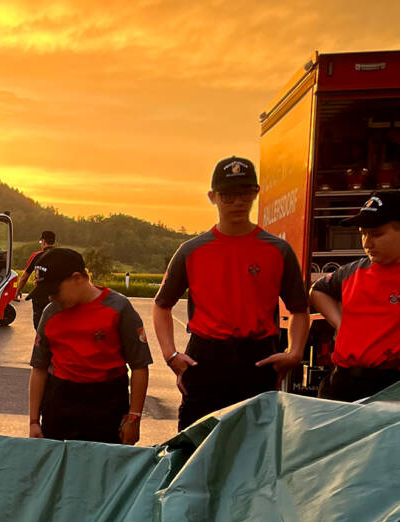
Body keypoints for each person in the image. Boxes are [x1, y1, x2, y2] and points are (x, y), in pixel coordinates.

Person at [153, 156, 310, 430]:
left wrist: (294, 353)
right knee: (194, 447)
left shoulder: (277, 250)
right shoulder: (192, 250)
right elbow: (161, 306)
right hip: (206, 356)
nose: (237, 202)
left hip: (258, 358)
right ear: (212, 197)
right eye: (228, 195)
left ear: (256, 193)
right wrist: (171, 356)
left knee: (256, 447)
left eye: (245, 194)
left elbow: (299, 308)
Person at [27, 248, 151, 444]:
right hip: (60, 403)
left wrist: (134, 419)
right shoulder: (51, 313)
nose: (51, 298)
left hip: (107, 404)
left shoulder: (118, 308)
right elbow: (39, 367)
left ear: (77, 278)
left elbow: (139, 365)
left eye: (54, 291)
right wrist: (34, 421)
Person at [309, 191, 400, 401]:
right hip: (342, 381)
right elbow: (318, 290)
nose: (367, 242)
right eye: (363, 233)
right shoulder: (352, 271)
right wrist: (340, 323)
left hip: (391, 387)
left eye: (377, 234)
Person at [19, 230, 57, 328]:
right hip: (55, 295)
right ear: (54, 242)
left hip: (39, 296)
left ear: (43, 242)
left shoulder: (37, 256)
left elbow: (24, 277)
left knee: (39, 324)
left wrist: (17, 291)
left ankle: (41, 341)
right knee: (54, 323)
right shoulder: (60, 256)